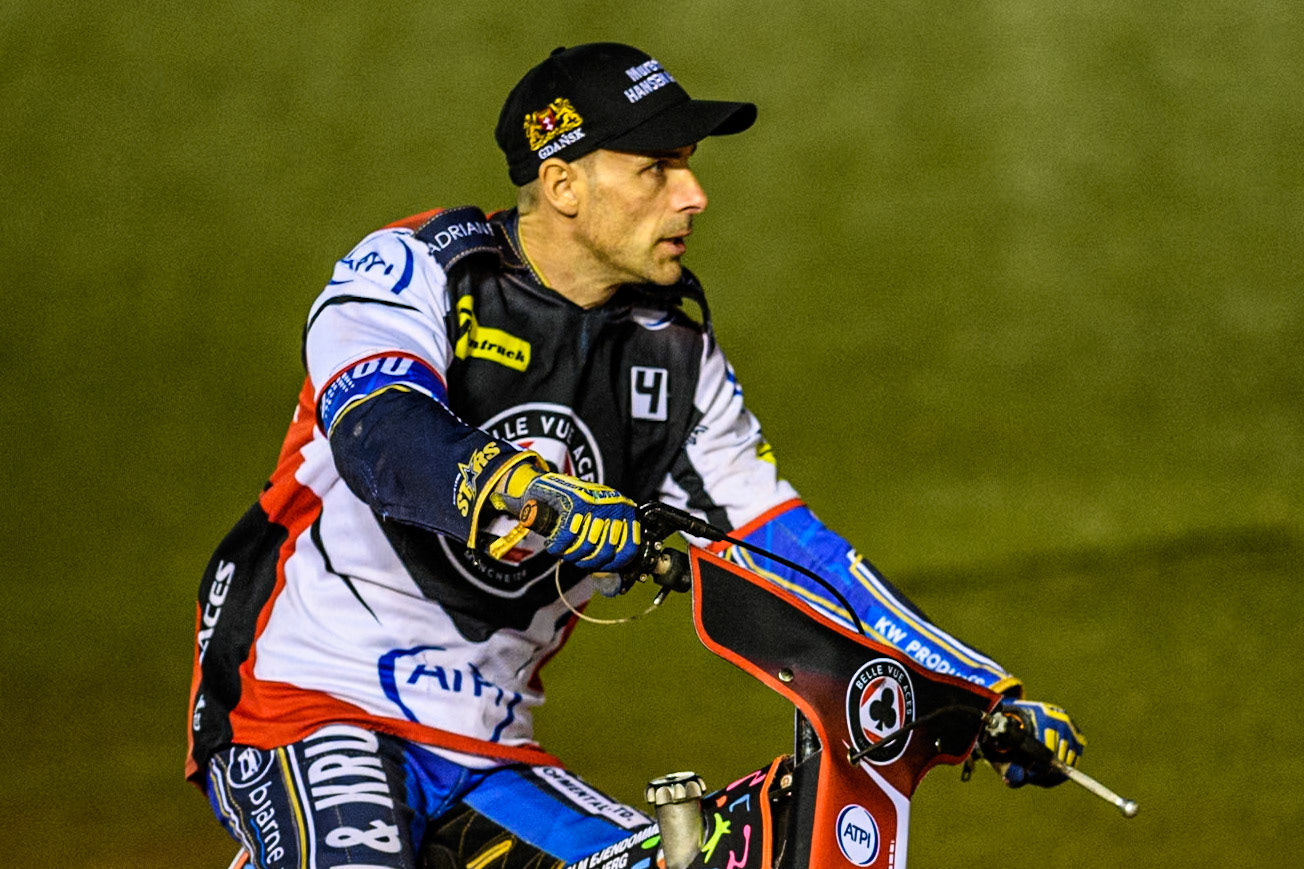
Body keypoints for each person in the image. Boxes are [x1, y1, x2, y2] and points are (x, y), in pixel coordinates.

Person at [187, 42, 1085, 869]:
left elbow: (797, 552)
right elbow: (382, 436)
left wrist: (977, 693)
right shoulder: (413, 269)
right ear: (564, 183)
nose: (692, 196)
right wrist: (541, 499)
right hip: (301, 704)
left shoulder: (676, 360)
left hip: (486, 746)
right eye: (656, 168)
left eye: (687, 167)